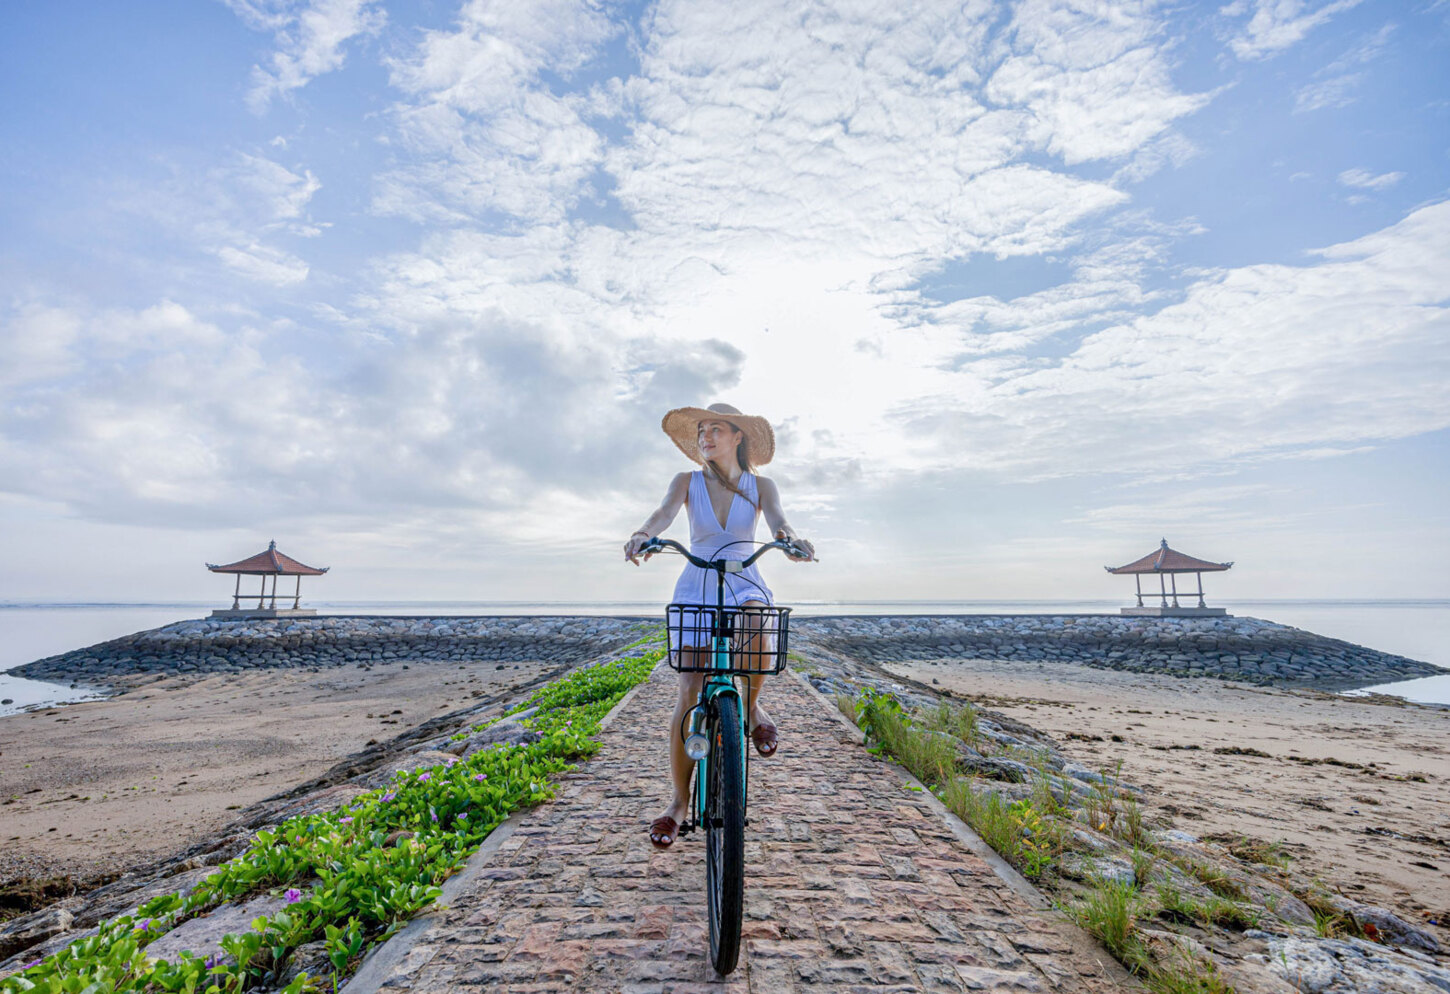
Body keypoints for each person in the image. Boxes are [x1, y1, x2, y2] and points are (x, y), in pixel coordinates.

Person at [624, 403, 815, 849]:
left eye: (716, 430)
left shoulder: (761, 485)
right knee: (689, 689)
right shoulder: (686, 482)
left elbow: (780, 523)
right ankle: (678, 802)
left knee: (756, 619)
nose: (706, 437)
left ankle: (748, 708)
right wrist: (641, 533)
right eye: (702, 430)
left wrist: (791, 541)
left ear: (738, 438)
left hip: (743, 574)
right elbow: (662, 515)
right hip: (697, 579)